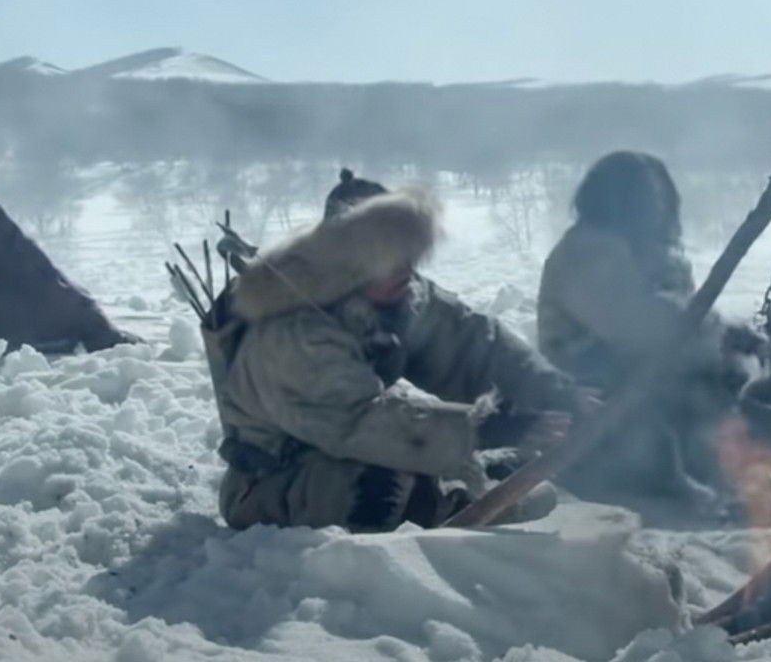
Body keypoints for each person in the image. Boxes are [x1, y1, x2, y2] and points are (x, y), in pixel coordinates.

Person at [214, 171, 591, 532]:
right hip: (276, 482)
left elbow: (472, 345)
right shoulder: (295, 329)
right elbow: (358, 422)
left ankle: (458, 491)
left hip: (351, 451)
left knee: (424, 462)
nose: (406, 267)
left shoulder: (395, 292)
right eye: (388, 253)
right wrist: (482, 428)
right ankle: (445, 514)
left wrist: (549, 390)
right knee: (384, 485)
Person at [537, 151, 771, 516]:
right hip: (603, 393)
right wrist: (713, 337)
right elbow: (643, 327)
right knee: (701, 419)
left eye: (659, 196)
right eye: (644, 197)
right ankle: (760, 480)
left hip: (663, 376)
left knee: (759, 389)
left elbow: (684, 320)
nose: (655, 207)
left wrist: (727, 341)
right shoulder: (586, 253)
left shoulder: (657, 255)